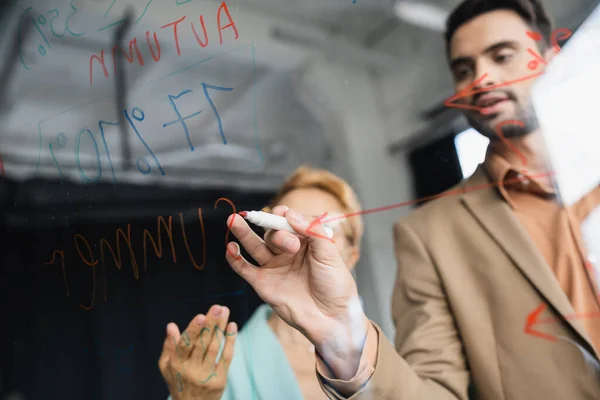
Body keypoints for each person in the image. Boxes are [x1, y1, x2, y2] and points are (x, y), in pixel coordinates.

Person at [219, 0, 600, 399]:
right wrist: (342, 336)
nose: (481, 78)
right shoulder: (429, 235)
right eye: (463, 69)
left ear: (551, 59)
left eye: (502, 56)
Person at [158, 165, 364, 400]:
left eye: (325, 228)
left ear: (352, 257)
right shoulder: (216, 370)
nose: (305, 239)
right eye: (287, 224)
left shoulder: (382, 356)